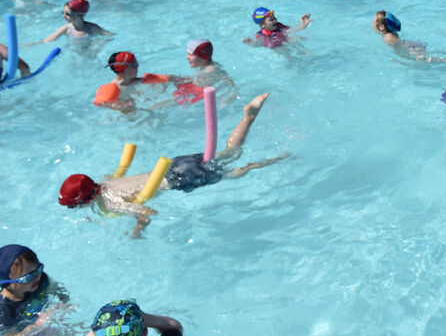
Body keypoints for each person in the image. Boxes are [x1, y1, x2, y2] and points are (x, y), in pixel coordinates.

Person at [59, 93, 287, 237]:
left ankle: (278, 158)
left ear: (87, 201)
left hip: (180, 178)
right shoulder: (107, 180)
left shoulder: (111, 203)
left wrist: (138, 230)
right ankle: (248, 117)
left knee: (234, 173)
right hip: (176, 164)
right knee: (229, 152)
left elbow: (147, 212)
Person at [0, 245, 62, 335]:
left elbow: (59, 291)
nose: (36, 277)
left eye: (38, 269)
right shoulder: (3, 310)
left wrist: (63, 305)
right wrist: (35, 327)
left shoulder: (41, 280)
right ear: (7, 283)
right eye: (28, 277)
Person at [93, 51, 170, 111]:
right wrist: (123, 105)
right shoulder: (113, 89)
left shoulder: (133, 81)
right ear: (123, 68)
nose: (137, 65)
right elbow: (104, 105)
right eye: (133, 63)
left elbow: (167, 79)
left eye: (136, 62)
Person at [372, 11, 446, 62]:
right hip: (411, 45)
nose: (372, 23)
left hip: (412, 49)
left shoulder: (388, 38)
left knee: (425, 60)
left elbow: (397, 48)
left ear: (381, 27)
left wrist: (399, 60)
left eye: (374, 21)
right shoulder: (389, 33)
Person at [41, 0, 112, 42]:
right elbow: (47, 41)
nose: (63, 16)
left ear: (79, 15)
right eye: (63, 13)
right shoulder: (66, 29)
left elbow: (110, 36)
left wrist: (98, 46)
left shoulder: (92, 28)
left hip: (90, 58)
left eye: (67, 14)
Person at [243, 7, 311, 48]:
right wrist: (251, 43)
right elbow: (260, 44)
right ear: (262, 25)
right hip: (276, 47)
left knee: (295, 39)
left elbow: (290, 30)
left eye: (274, 18)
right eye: (271, 20)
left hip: (284, 40)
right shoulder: (261, 35)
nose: (274, 20)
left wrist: (302, 25)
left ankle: (304, 53)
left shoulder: (279, 26)